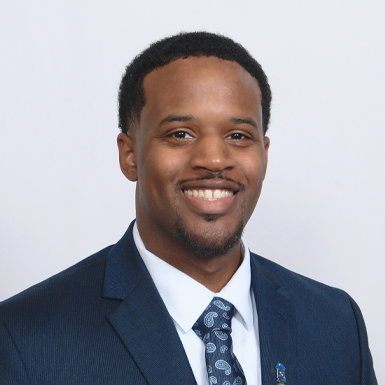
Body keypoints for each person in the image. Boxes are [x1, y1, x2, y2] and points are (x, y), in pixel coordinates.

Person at [0, 32, 377, 385]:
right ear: (129, 155)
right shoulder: (26, 339)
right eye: (180, 134)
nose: (214, 159)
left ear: (264, 153)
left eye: (238, 136)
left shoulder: (336, 324)